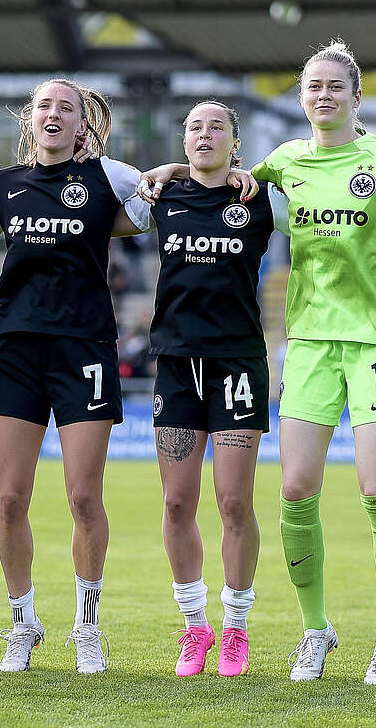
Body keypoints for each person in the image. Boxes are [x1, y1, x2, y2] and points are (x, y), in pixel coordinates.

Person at [143, 40, 376, 685]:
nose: (323, 95)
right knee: (293, 491)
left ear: (356, 96)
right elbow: (220, 175)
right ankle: (316, 631)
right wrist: (173, 169)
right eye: (313, 86)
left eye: (335, 86)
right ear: (302, 98)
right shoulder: (284, 162)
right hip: (310, 342)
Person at [0, 79, 152, 675]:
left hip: (83, 349)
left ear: (81, 123)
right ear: (30, 119)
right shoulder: (2, 186)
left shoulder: (109, 177)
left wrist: (175, 170)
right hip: (14, 349)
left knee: (83, 495)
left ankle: (87, 627)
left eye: (65, 108)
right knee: (9, 497)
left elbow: (158, 201)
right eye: (44, 105)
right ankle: (23, 623)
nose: (53, 114)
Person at [142, 101, 286, 678]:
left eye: (216, 127)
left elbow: (319, 188)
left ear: (235, 141)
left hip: (237, 364)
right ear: (184, 140)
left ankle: (236, 627)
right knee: (177, 502)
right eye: (195, 127)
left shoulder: (260, 200)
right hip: (177, 364)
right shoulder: (161, 195)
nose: (205, 134)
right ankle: (194, 626)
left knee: (233, 501)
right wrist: (173, 171)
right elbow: (99, 184)